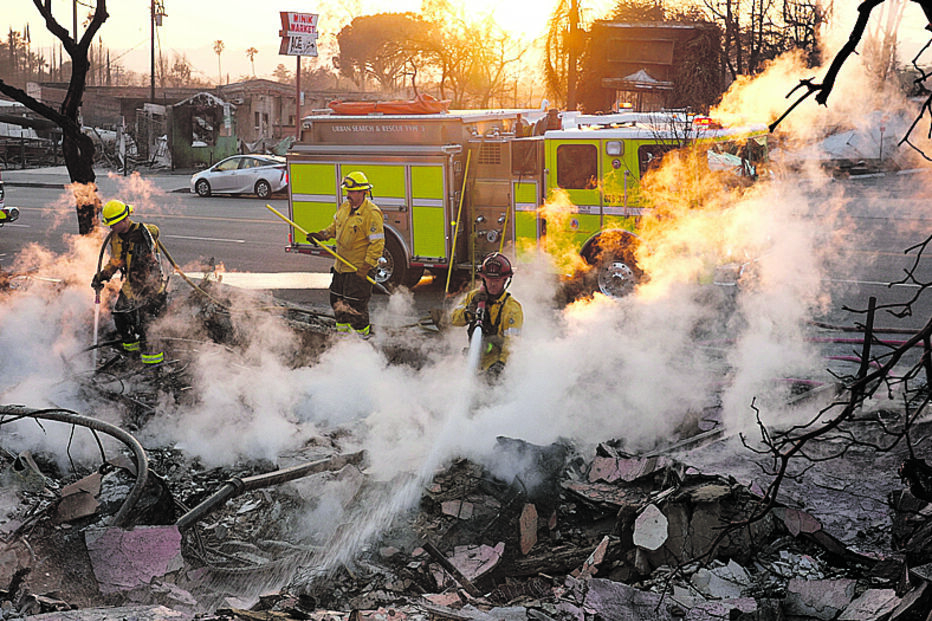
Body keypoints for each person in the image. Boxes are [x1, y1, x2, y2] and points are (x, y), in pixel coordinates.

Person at [307, 171, 385, 338]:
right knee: (337, 303)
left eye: (352, 192)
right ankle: (342, 339)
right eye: (347, 191)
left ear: (363, 192)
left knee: (355, 308)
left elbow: (377, 244)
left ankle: (361, 342)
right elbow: (335, 227)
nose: (348, 195)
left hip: (358, 269)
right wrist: (322, 235)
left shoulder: (371, 213)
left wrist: (366, 266)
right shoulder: (344, 207)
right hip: (341, 267)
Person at [91, 199, 168, 367]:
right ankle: (132, 353)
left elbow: (155, 231)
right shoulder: (116, 238)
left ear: (124, 219)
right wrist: (103, 275)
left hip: (150, 288)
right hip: (131, 287)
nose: (110, 228)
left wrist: (143, 233)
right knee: (120, 317)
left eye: (113, 224)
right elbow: (116, 260)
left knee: (147, 326)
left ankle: (154, 365)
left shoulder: (143, 232)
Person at [450, 252, 523, 378]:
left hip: (495, 366)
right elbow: (454, 320)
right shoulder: (473, 297)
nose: (492, 284)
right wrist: (470, 310)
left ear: (505, 280)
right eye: (489, 280)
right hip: (474, 361)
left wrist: (501, 365)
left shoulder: (512, 308)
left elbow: (512, 343)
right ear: (484, 279)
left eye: (497, 280)